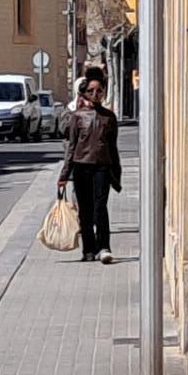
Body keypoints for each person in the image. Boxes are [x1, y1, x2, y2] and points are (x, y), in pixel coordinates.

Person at [57, 77, 122, 262]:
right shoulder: (77, 116)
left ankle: (104, 247)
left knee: (100, 207)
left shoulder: (109, 117)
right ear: (84, 93)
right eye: (90, 91)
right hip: (81, 167)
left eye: (99, 90)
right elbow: (71, 147)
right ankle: (88, 249)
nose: (95, 94)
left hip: (102, 167)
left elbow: (113, 148)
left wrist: (116, 175)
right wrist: (64, 175)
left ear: (103, 92)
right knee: (85, 210)